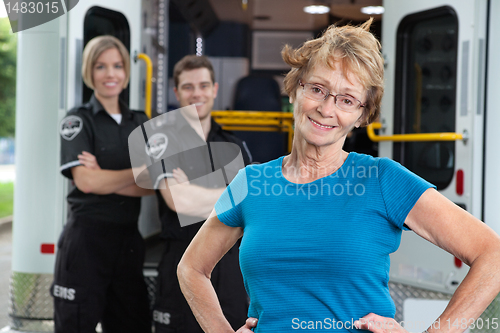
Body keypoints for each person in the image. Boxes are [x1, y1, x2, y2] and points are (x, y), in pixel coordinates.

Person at [177, 19, 500, 333]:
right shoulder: (251, 183)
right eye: (317, 89)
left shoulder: (382, 179)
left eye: (347, 99)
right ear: (294, 90)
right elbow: (191, 268)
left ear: (362, 114)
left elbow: (493, 255)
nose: (327, 108)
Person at [53, 35, 153, 333]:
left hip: (128, 243)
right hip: (86, 241)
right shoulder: (77, 121)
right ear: (89, 72)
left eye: (117, 66)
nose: (110, 74)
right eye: (101, 66)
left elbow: (151, 185)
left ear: (126, 72)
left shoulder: (140, 122)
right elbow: (85, 181)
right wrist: (136, 172)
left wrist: (104, 178)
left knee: (132, 325)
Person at [149, 55, 252, 333]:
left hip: (230, 267)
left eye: (204, 86)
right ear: (176, 92)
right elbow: (178, 201)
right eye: (188, 87)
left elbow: (252, 203)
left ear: (215, 89)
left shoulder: (236, 145)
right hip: (181, 263)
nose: (197, 93)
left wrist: (194, 190)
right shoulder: (161, 142)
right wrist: (233, 194)